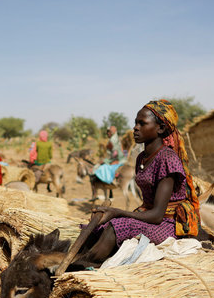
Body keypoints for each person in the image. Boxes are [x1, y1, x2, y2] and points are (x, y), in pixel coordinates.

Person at [79, 99, 200, 264]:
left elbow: (158, 215)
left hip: (167, 224)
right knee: (96, 227)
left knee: (118, 226)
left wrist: (118, 212)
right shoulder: (142, 158)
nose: (135, 128)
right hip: (148, 216)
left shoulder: (167, 159)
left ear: (161, 128)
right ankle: (80, 259)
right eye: (135, 123)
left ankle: (82, 266)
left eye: (142, 123)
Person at [90, 126, 127, 198]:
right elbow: (123, 151)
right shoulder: (118, 140)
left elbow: (114, 154)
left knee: (100, 168)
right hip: (122, 159)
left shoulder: (111, 141)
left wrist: (104, 161)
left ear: (111, 132)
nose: (107, 133)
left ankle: (107, 185)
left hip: (116, 160)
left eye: (108, 132)